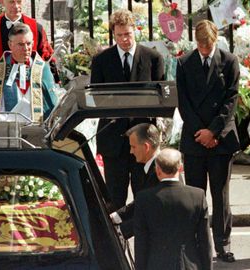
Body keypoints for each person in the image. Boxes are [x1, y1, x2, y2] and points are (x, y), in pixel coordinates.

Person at [176, 19, 240, 263]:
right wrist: (200, 133)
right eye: (200, 44)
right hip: (195, 138)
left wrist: (213, 132)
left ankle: (223, 244)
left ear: (215, 40)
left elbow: (231, 100)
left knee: (220, 194)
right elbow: (184, 102)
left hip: (220, 139)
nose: (204, 49)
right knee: (195, 194)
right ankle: (197, 243)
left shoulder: (229, 61)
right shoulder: (184, 63)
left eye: (208, 44)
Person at [90, 9, 164, 210]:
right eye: (120, 35)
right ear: (114, 35)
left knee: (145, 198)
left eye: (128, 34)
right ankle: (118, 241)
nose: (124, 40)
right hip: (114, 141)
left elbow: (161, 98)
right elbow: (96, 98)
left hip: (143, 141)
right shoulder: (101, 60)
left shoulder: (153, 58)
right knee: (114, 201)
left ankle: (145, 240)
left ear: (135, 32)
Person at [134, 148, 212, 270]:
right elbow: (205, 241)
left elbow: (141, 243)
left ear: (157, 170)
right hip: (189, 264)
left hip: (156, 264)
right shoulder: (198, 196)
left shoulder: (144, 198)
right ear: (180, 168)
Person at [0, 0, 54, 106]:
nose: (16, 6)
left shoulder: (36, 29)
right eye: (11, 1)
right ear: (2, 2)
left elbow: (45, 63)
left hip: (32, 96)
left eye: (19, 1)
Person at [0, 23, 57, 122]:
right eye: (20, 44)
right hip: (3, 130)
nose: (25, 48)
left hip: (34, 130)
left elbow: (52, 104)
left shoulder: (42, 69)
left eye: (28, 43)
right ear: (10, 45)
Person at [109, 123, 161, 239]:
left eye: (133, 147)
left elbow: (150, 212)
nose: (131, 152)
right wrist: (116, 216)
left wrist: (121, 231)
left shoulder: (158, 172)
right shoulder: (152, 167)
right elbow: (142, 200)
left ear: (146, 147)